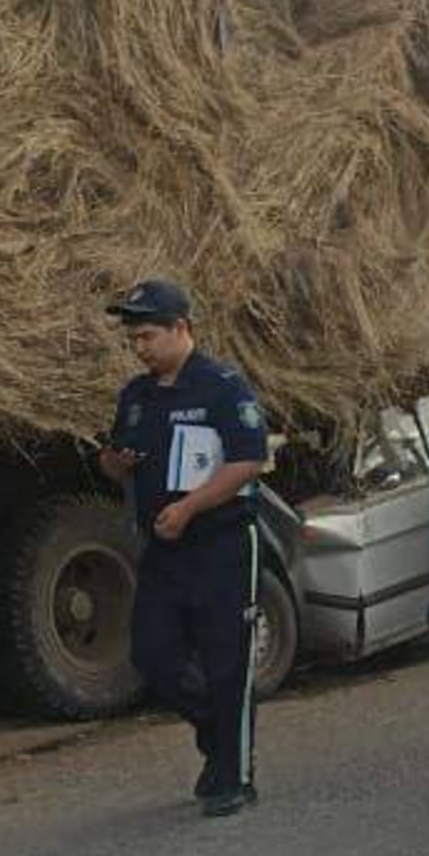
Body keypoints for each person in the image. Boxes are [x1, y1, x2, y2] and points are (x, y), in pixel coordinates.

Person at [98, 279, 269, 818]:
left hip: (220, 543)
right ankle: (216, 736)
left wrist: (190, 508)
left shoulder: (222, 388)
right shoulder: (136, 396)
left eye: (148, 336)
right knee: (155, 656)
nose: (141, 348)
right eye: (134, 340)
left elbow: (248, 461)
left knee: (227, 665)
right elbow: (111, 459)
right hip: (165, 550)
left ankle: (234, 777)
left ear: (181, 329)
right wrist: (116, 463)